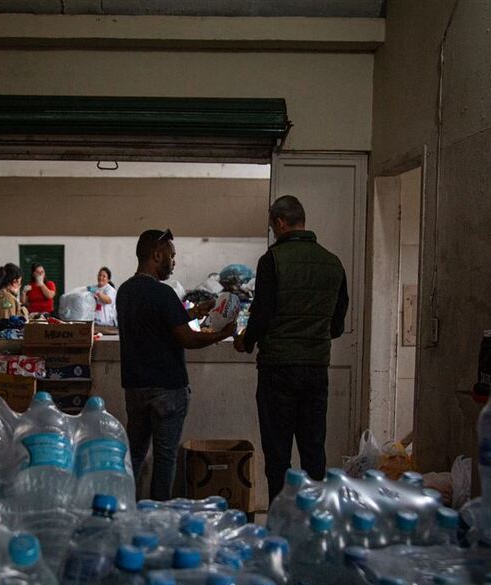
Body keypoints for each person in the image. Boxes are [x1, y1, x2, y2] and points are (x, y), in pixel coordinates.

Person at [234, 195, 349, 503]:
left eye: (273, 227)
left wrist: (246, 341)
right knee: (314, 454)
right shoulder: (333, 263)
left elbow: (262, 314)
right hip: (316, 371)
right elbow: (337, 326)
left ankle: (282, 524)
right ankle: (314, 525)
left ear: (280, 223)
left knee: (278, 457)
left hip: (278, 371)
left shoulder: (272, 260)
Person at [117, 229, 236, 500]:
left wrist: (193, 312)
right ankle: (159, 514)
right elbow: (188, 339)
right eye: (171, 256)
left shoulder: (124, 292)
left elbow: (155, 324)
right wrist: (223, 333)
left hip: (135, 389)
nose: (173, 262)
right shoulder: (163, 293)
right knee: (165, 458)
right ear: (156, 255)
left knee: (134, 455)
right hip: (167, 391)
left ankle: (126, 507)